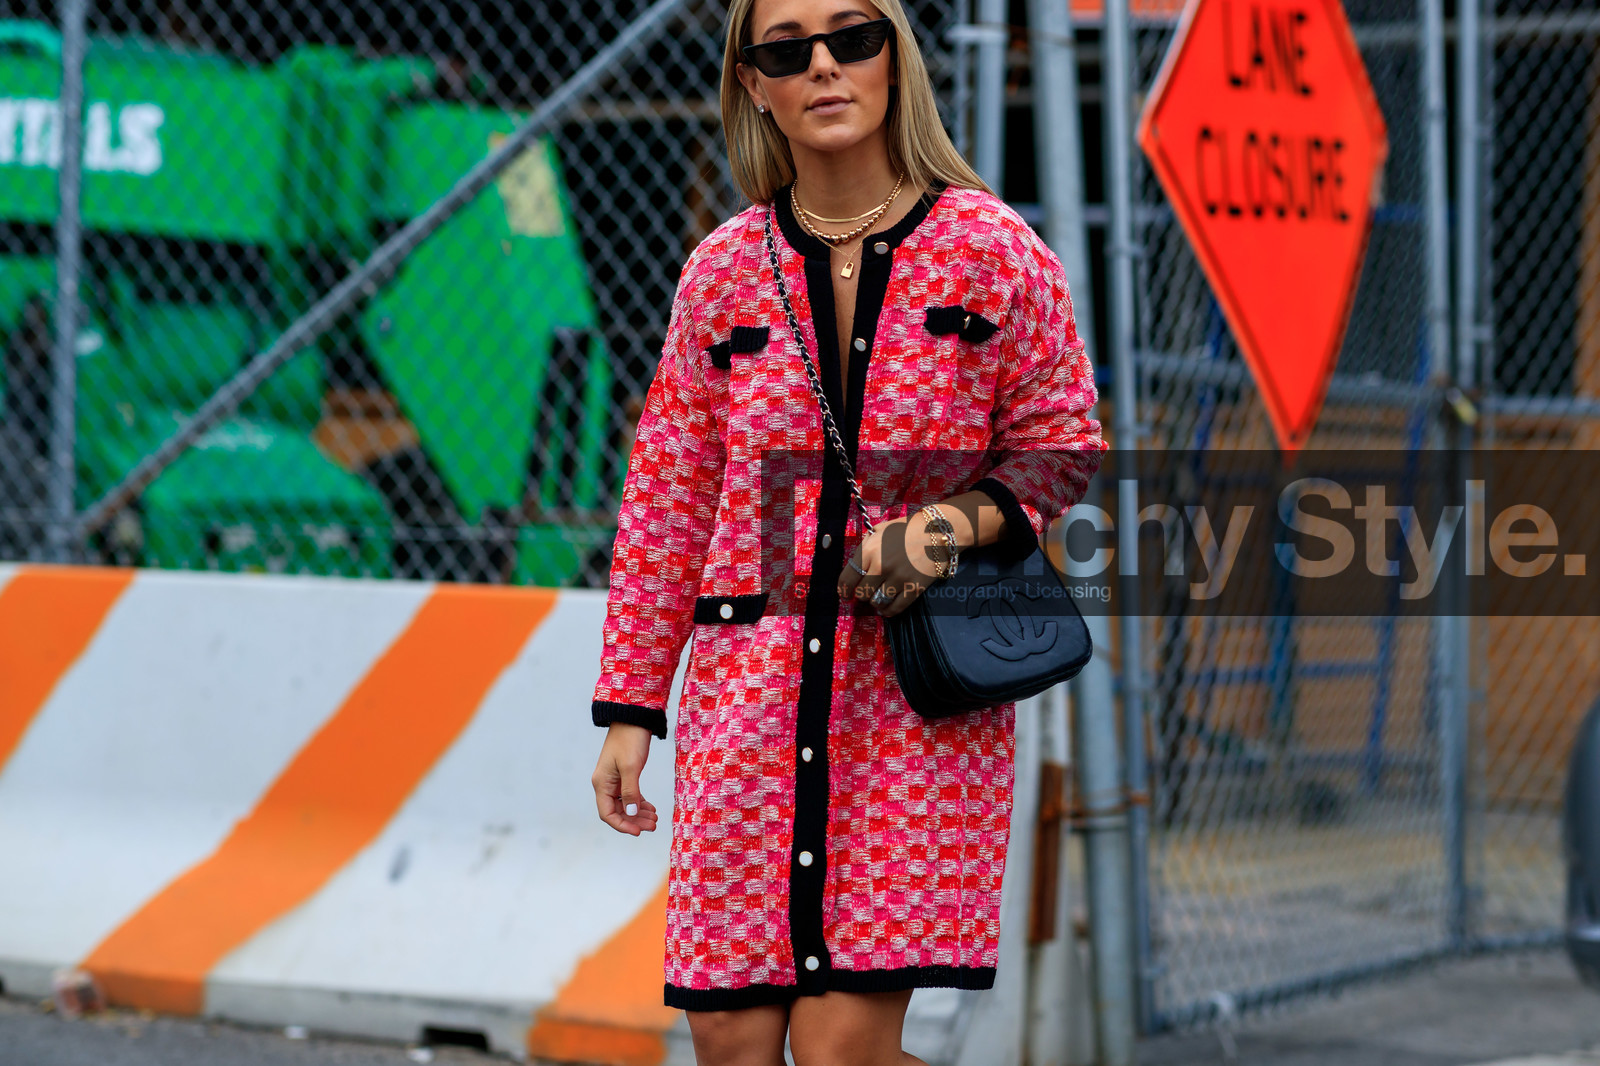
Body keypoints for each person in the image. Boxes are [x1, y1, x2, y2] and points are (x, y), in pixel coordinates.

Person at [589, 0, 1106, 1062]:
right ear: (753, 83)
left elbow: (1063, 441)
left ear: (893, 59)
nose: (823, 65)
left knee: (838, 1050)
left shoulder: (991, 250)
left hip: (909, 711)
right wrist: (632, 707)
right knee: (730, 1040)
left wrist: (946, 527)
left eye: (852, 37)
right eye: (788, 49)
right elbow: (668, 497)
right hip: (748, 704)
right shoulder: (721, 271)